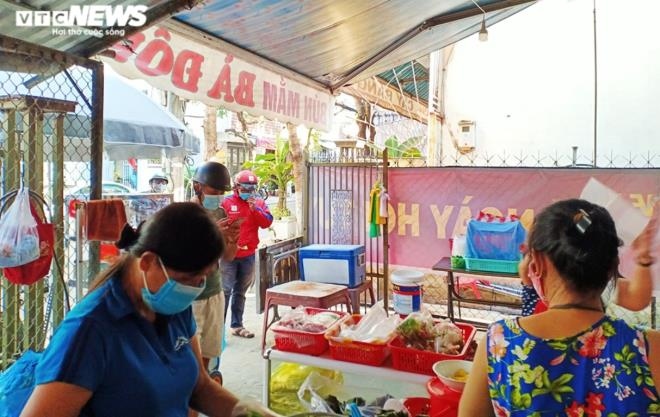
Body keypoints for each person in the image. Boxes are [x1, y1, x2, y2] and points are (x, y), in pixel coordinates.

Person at [20, 203, 276, 417]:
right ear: (149, 262)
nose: (196, 287)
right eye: (190, 278)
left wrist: (245, 411)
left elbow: (199, 387)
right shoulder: (89, 332)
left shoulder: (172, 303)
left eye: (204, 278)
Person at [459, 199, 659, 416]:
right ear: (612, 267)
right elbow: (638, 296)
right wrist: (643, 259)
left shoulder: (498, 343)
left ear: (538, 263)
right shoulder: (649, 349)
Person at [189, 161, 240, 387]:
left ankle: (203, 391)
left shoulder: (220, 212)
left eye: (221, 192)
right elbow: (182, 254)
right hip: (191, 295)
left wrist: (232, 239)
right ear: (198, 187)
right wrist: (211, 234)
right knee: (190, 357)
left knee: (209, 349)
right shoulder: (185, 215)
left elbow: (227, 256)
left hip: (214, 290)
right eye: (214, 191)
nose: (218, 196)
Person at [221, 170, 273, 338]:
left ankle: (237, 325)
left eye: (252, 189)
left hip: (248, 255)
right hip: (228, 255)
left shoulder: (258, 203)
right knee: (225, 290)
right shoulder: (226, 203)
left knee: (240, 292)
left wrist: (255, 208)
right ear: (236, 187)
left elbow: (266, 222)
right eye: (245, 189)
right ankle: (218, 329)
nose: (249, 192)